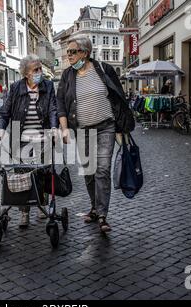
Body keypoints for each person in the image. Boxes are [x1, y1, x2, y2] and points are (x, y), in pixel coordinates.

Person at [57, 35, 132, 233]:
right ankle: (93, 206)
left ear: (85, 53)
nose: (69, 55)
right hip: (82, 129)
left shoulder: (104, 69)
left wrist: (122, 125)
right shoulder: (67, 75)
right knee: (89, 172)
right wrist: (64, 128)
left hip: (106, 127)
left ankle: (102, 215)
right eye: (68, 52)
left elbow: (119, 96)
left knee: (103, 169)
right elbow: (61, 104)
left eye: (73, 52)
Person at [0, 54, 58, 229]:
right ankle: (24, 212)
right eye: (36, 70)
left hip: (42, 137)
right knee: (22, 175)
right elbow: (4, 112)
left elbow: (53, 108)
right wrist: (1, 129)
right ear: (26, 73)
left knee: (42, 174)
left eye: (40, 68)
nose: (40, 72)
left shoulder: (48, 85)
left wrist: (54, 128)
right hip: (20, 138)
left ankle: (41, 205)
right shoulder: (16, 88)